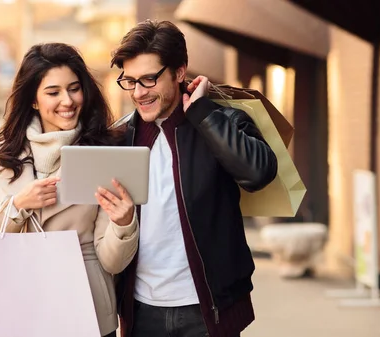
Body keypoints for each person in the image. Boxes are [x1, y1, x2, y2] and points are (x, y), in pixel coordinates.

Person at [110, 20, 278, 337]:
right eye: (130, 81)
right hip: (141, 311)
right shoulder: (120, 137)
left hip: (208, 310)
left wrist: (202, 113)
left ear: (179, 72)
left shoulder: (219, 121)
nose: (138, 92)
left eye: (148, 79)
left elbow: (258, 173)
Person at [0, 42, 139, 337]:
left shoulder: (103, 152)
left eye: (74, 88)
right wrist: (19, 205)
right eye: (53, 92)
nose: (67, 101)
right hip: (19, 308)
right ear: (33, 99)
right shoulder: (4, 155)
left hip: (85, 308)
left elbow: (111, 260)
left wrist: (123, 223)